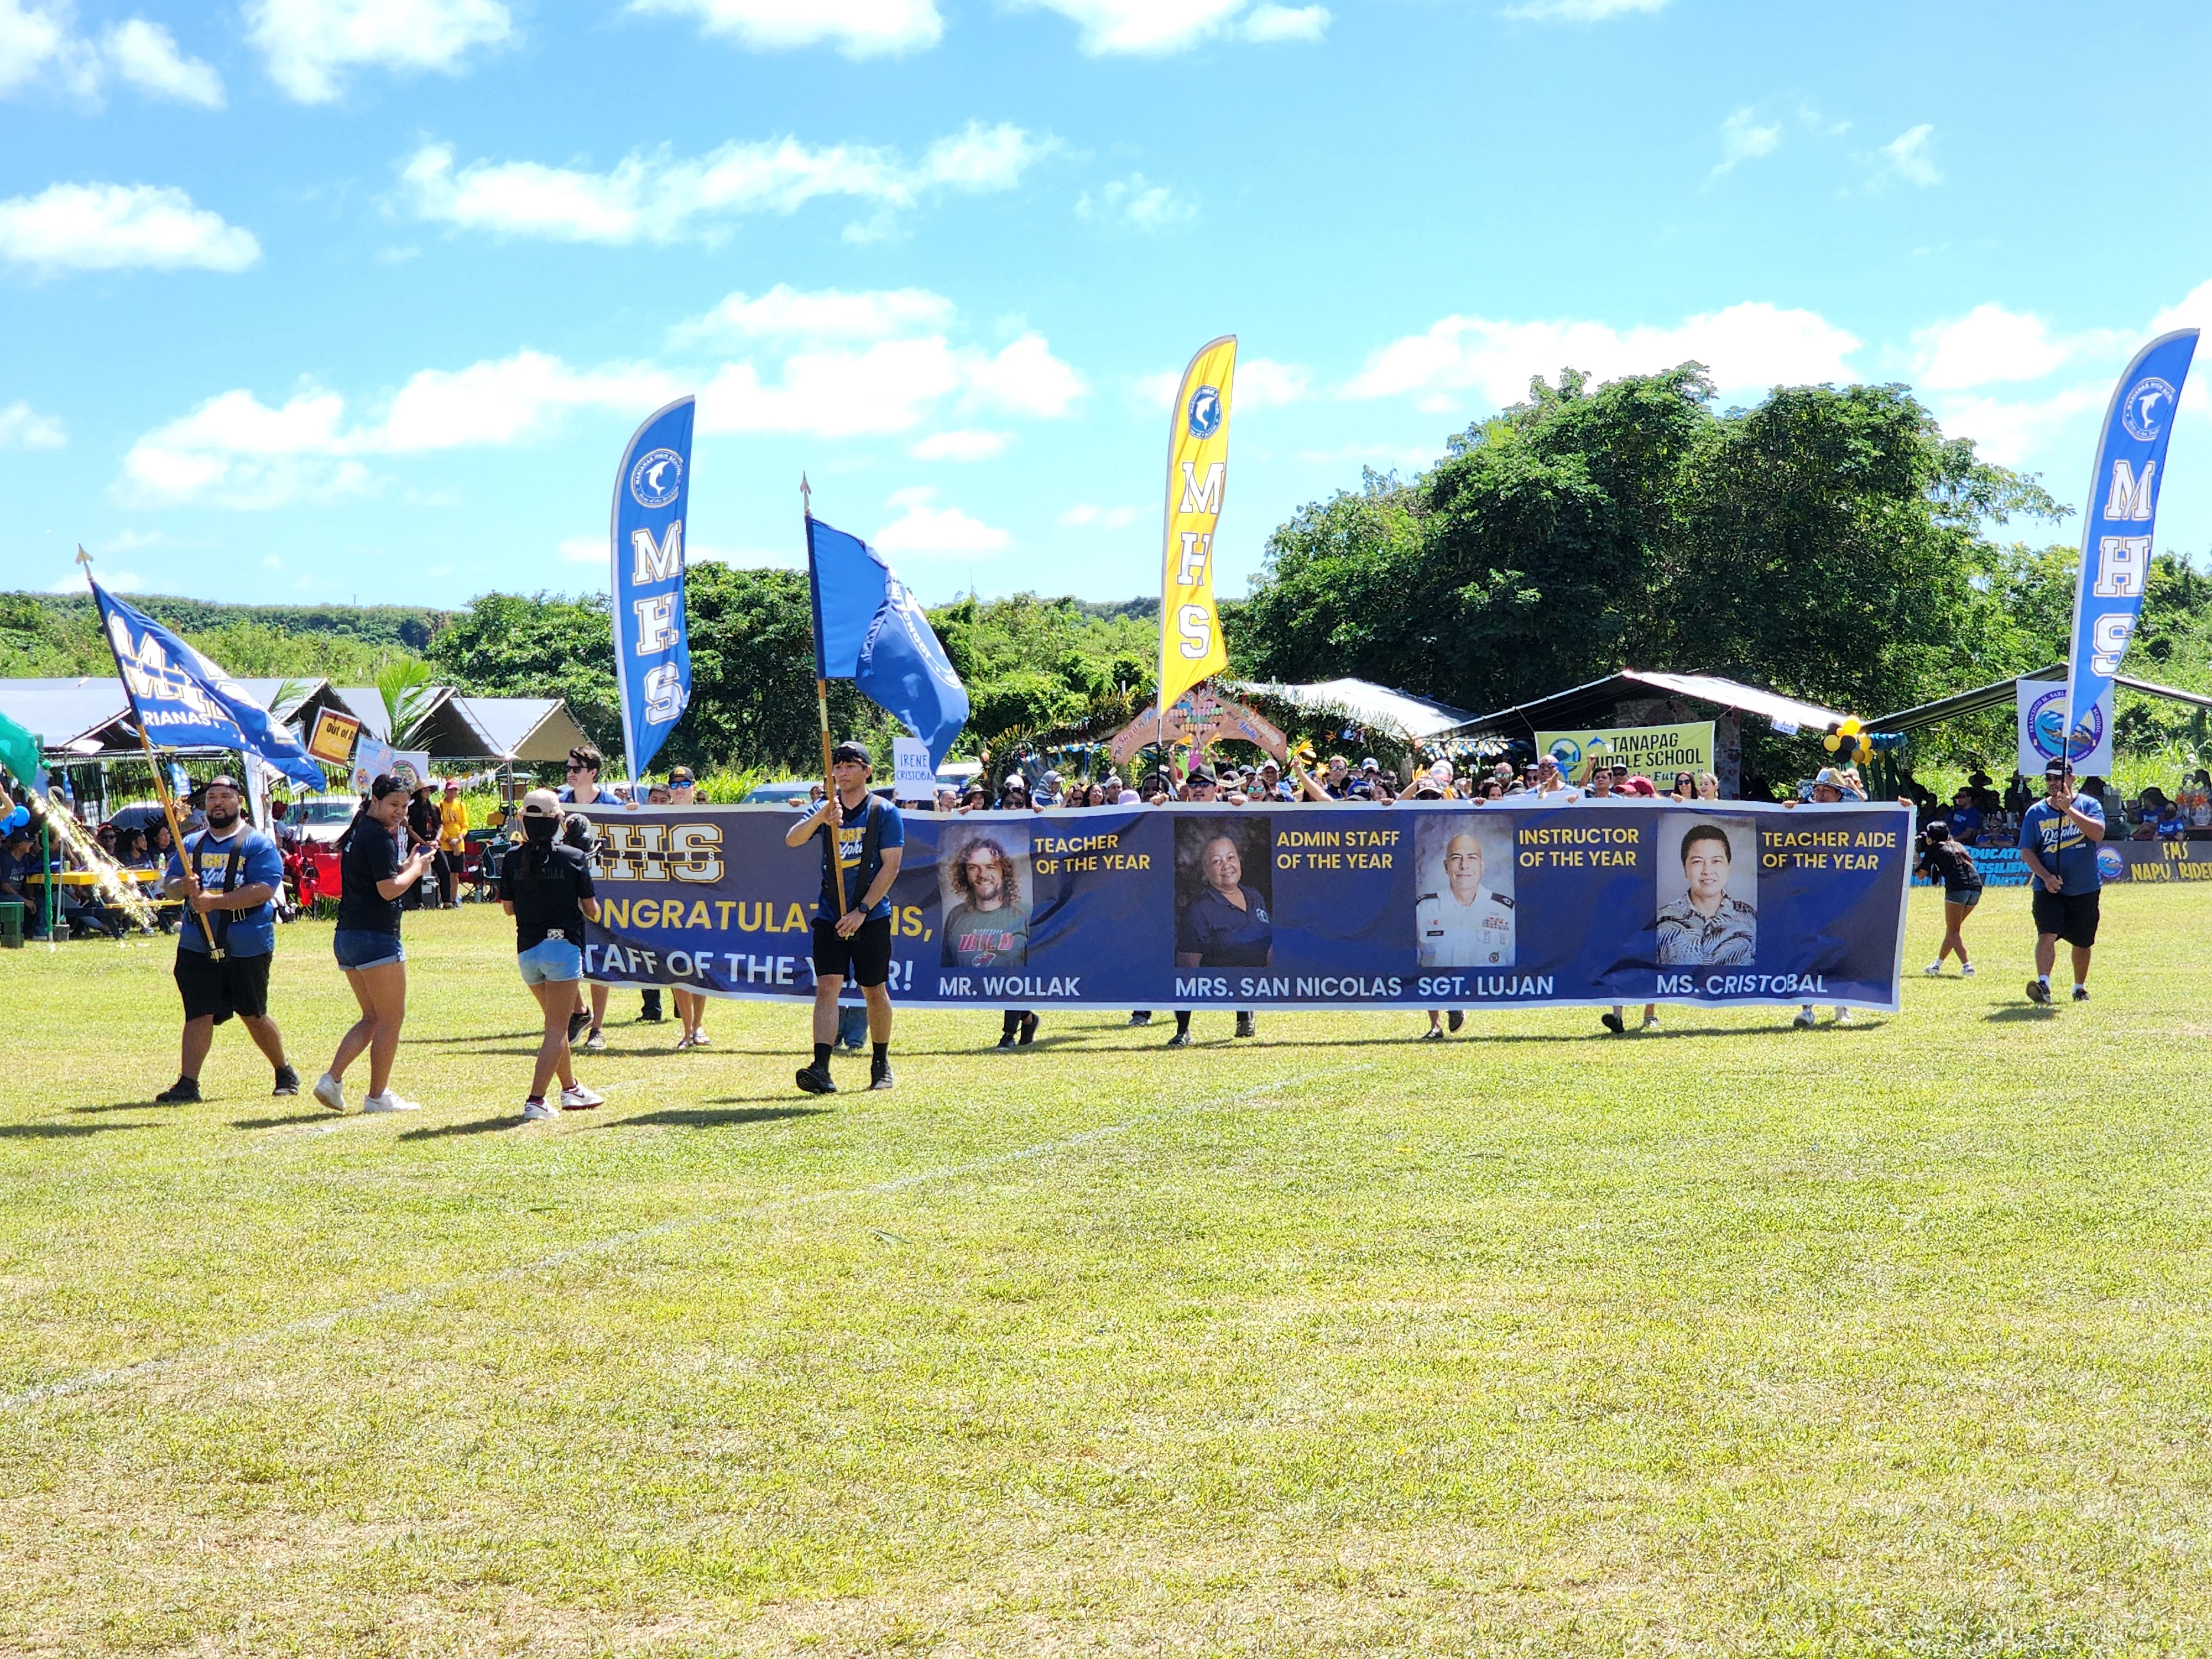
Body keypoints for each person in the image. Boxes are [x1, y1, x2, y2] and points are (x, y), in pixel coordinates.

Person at [151, 776, 300, 1105]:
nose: (218, 802)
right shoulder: (190, 844)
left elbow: (264, 889)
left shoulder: (258, 844)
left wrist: (214, 902)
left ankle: (284, 1071)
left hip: (247, 941)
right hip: (196, 941)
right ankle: (188, 1084)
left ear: (239, 803)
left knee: (253, 1012)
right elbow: (171, 885)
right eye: (212, 797)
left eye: (225, 796)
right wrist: (182, 887)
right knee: (198, 1012)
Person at [312, 774, 436, 1114]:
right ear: (375, 801)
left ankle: (332, 1080)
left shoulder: (359, 833)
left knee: (372, 1017)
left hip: (348, 936)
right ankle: (377, 1096)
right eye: (394, 805)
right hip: (375, 937)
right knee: (391, 1018)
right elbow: (389, 889)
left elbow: (381, 877)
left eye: (405, 806)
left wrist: (407, 866)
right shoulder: (377, 836)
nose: (400, 812)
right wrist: (419, 868)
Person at [786, 740, 902, 1094]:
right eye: (837, 766)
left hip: (871, 916)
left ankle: (880, 1062)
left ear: (867, 771)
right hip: (829, 914)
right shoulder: (826, 809)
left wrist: (862, 911)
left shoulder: (884, 812)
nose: (842, 772)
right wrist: (821, 816)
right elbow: (792, 840)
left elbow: (891, 866)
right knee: (827, 988)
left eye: (851, 765)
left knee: (874, 989)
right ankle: (821, 1067)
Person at [498, 789, 607, 1120]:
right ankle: (536, 1100)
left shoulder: (512, 858)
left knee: (554, 1025)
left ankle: (571, 1088)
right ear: (558, 820)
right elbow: (592, 912)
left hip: (528, 951)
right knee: (556, 1030)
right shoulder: (573, 858)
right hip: (562, 950)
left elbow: (508, 909)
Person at [560, 743, 659, 1046]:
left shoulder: (611, 806)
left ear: (592, 773)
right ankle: (580, 1012)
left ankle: (598, 1028)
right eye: (568, 769)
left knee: (599, 956)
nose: (570, 774)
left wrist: (633, 814)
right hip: (563, 890)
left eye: (576, 769)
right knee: (563, 954)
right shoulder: (559, 803)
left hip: (602, 892)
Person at [2020, 758, 2105, 1005]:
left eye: (2059, 778)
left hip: (2084, 887)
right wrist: (2045, 877)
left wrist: (2069, 809)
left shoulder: (2089, 805)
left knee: (2083, 940)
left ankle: (2079, 987)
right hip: (2048, 888)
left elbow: (2098, 833)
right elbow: (2027, 850)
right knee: (2047, 933)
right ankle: (2043, 984)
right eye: (2049, 778)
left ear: (2071, 779)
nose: (2054, 783)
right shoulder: (2036, 813)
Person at [1656, 823, 1755, 967]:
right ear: (1685, 868)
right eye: (1697, 862)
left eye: (1716, 861)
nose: (1707, 871)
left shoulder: (1751, 920)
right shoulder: (1662, 922)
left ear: (1728, 866)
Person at [1917, 818, 1983, 976]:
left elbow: (1920, 875)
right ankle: (1937, 965)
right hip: (1976, 888)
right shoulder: (1957, 845)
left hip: (1957, 889)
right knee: (1953, 930)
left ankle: (1968, 967)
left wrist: (1916, 856)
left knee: (1953, 931)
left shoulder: (1935, 849)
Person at [434, 778, 469, 907]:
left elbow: (465, 825)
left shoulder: (461, 805)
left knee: (455, 874)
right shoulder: (440, 806)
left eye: (456, 790)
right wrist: (449, 839)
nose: (453, 793)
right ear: (446, 792)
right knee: (443, 873)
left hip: (458, 844)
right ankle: (439, 900)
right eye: (451, 790)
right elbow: (438, 825)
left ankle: (454, 900)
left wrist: (459, 838)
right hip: (445, 843)